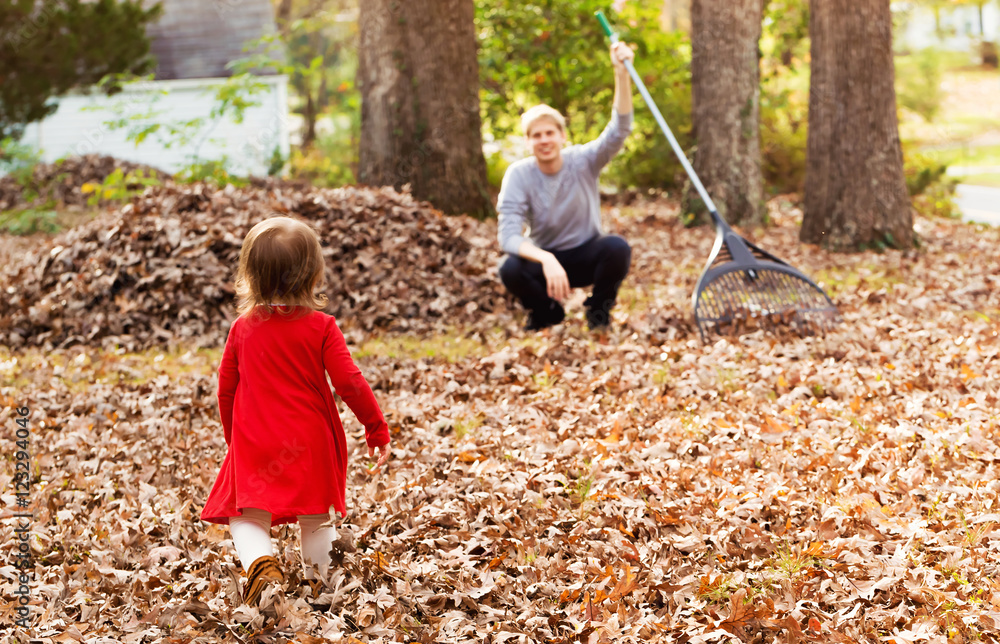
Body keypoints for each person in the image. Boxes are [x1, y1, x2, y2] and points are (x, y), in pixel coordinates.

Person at [200, 216, 391, 606]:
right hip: (311, 438)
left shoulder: (242, 329)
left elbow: (225, 390)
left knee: (247, 515)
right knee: (315, 516)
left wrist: (233, 438)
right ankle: (318, 585)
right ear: (313, 274)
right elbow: (349, 382)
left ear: (251, 274)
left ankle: (262, 565)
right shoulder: (321, 327)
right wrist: (375, 427)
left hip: (255, 437)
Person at [497, 41, 635, 331]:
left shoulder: (584, 160)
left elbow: (619, 129)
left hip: (586, 253)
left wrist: (621, 74)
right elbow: (508, 237)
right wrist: (546, 258)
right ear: (528, 141)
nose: (544, 140)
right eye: (536, 135)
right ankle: (547, 314)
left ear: (562, 136)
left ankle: (598, 313)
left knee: (617, 248)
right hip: (544, 259)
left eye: (550, 133)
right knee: (509, 268)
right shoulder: (518, 175)